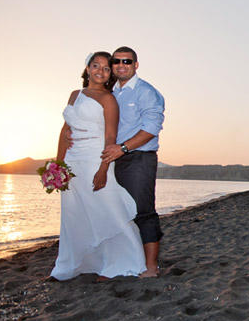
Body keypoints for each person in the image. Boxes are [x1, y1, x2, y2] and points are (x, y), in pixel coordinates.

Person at [50, 52, 146, 280]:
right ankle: (70, 266)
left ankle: (127, 260)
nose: (100, 71)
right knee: (74, 213)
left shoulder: (108, 99)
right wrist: (58, 165)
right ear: (87, 68)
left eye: (105, 68)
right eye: (96, 66)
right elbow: (65, 130)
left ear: (109, 73)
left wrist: (103, 169)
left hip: (95, 158)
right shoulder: (75, 94)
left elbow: (110, 135)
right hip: (73, 159)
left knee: (108, 209)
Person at [101, 46, 165, 278]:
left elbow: (151, 127)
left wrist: (123, 148)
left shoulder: (146, 92)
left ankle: (151, 267)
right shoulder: (112, 93)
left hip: (139, 159)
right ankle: (123, 262)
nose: (121, 65)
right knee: (117, 212)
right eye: (116, 61)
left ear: (135, 65)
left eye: (126, 61)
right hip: (113, 159)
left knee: (143, 211)